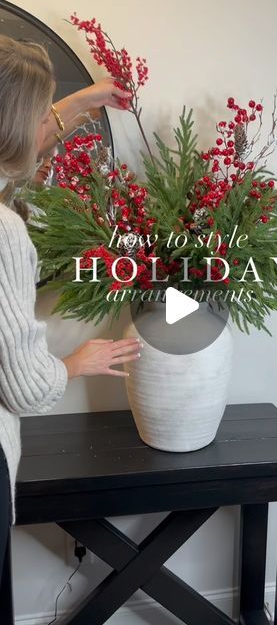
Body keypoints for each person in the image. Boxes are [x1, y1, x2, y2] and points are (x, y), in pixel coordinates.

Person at [0, 35, 142, 585]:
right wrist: (75, 363)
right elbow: (26, 389)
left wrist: (79, 105)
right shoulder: (5, 233)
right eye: (41, 115)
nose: (47, 131)